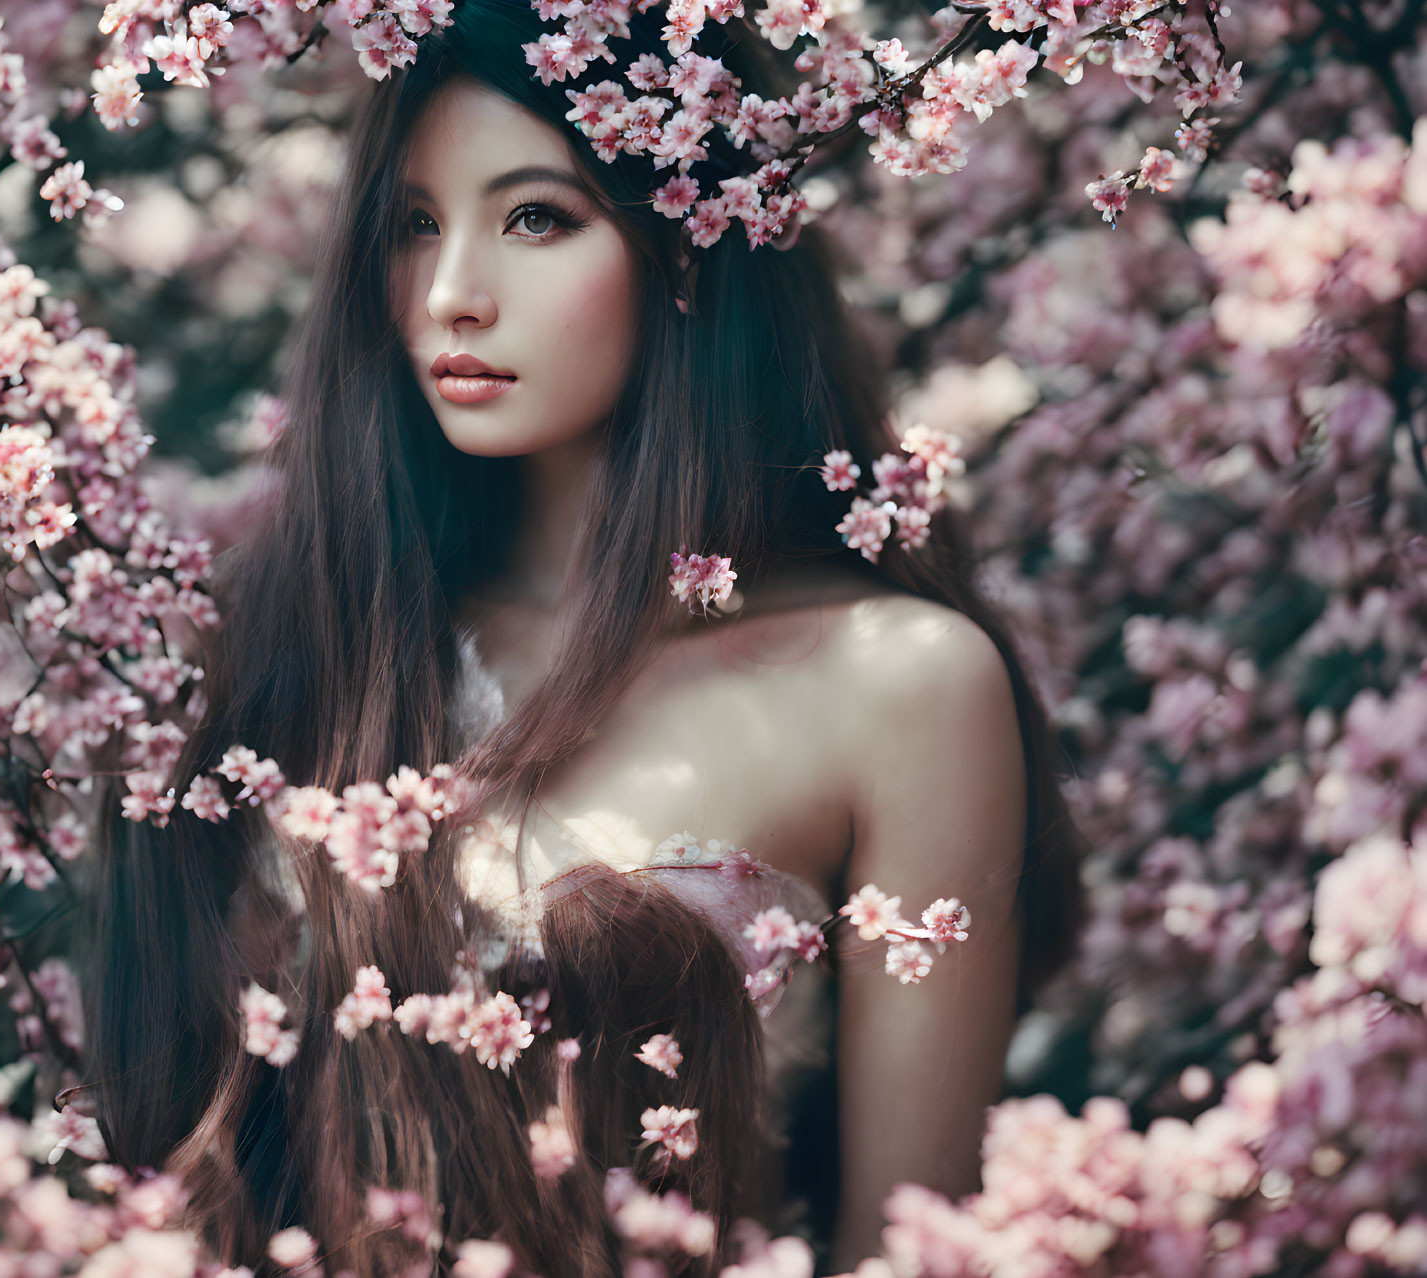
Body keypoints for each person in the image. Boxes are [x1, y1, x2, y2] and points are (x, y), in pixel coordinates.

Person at [79, 1, 1085, 1274]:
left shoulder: (896, 684)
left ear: (691, 243)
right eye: (414, 225)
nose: (450, 296)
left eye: (536, 217)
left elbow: (907, 1249)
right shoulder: (301, 650)